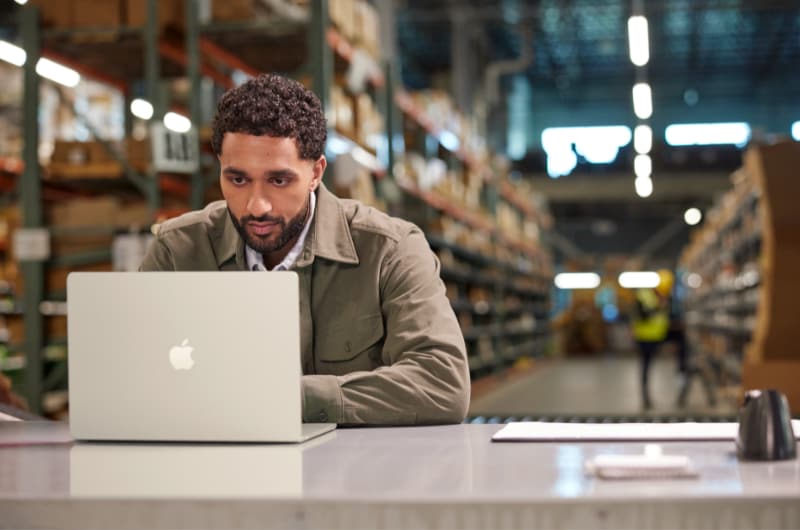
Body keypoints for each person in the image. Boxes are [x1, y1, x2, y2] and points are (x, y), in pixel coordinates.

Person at [139, 73, 470, 426]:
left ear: (316, 173)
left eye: (278, 180)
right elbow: (127, 380)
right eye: (237, 180)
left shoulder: (389, 250)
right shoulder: (176, 251)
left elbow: (442, 382)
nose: (257, 206)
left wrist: (286, 398)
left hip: (356, 474)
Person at [631, 275, 670, 409]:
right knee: (646, 366)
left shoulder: (660, 297)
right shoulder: (643, 296)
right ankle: (645, 395)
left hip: (658, 337)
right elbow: (643, 316)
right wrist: (658, 307)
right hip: (644, 338)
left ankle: (682, 376)